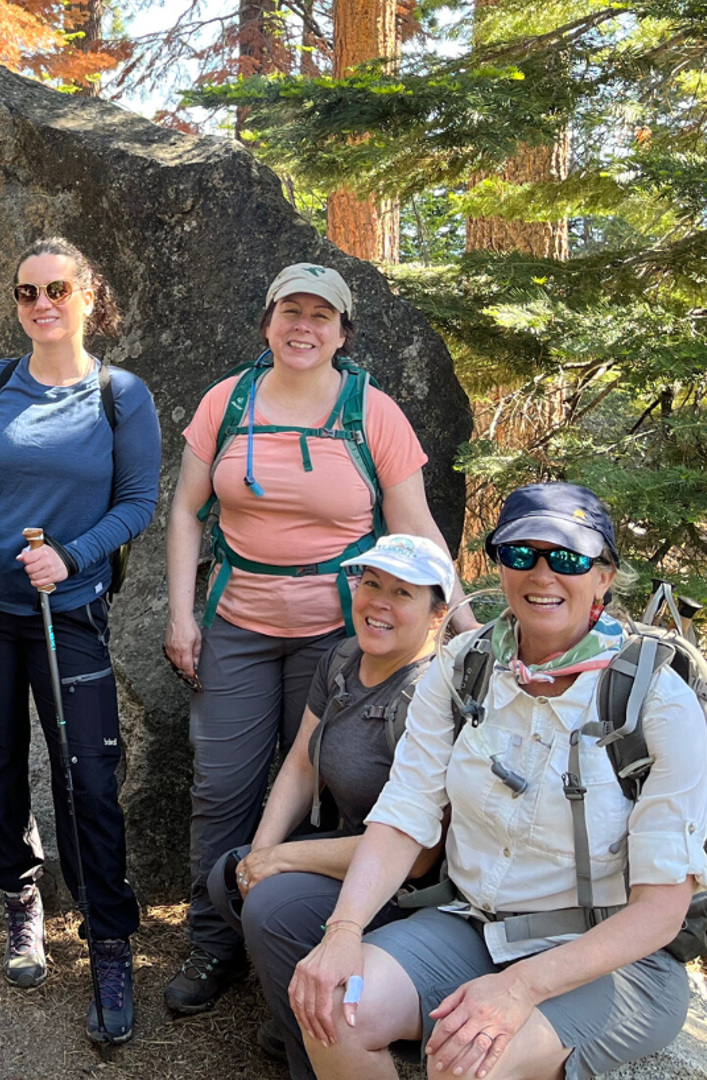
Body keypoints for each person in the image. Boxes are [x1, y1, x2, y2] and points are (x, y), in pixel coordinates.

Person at [288, 483, 707, 1080]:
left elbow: (662, 910)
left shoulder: (655, 704)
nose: (542, 575)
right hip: (472, 924)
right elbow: (405, 812)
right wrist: (344, 930)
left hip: (607, 958)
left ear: (605, 577)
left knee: (470, 1061)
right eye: (521, 555)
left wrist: (518, 988)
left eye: (568, 558)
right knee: (333, 1010)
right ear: (499, 566)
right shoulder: (462, 665)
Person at [163, 261, 462, 1016]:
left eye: (320, 316)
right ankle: (212, 937)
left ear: (342, 332)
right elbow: (184, 510)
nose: (303, 326)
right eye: (289, 311)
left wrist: (460, 626)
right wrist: (180, 614)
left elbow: (415, 526)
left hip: (341, 636)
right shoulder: (226, 401)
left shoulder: (374, 413)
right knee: (219, 787)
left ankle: (295, 945)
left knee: (328, 792)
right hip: (238, 622)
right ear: (267, 323)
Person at [0, 237, 163, 1045]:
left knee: (89, 774)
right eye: (27, 291)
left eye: (57, 289)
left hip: (67, 609)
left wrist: (69, 554)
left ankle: (108, 939)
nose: (41, 304)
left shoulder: (121, 394)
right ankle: (21, 896)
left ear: (88, 295)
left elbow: (137, 501)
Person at [211, 534, 456, 1077]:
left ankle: (316, 1055)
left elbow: (419, 856)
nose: (379, 603)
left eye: (403, 593)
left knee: (272, 907)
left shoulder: (432, 695)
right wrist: (263, 850)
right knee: (231, 876)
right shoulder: (344, 658)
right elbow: (301, 762)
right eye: (371, 584)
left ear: (438, 615)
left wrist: (283, 861)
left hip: (411, 889)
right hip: (348, 848)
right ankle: (297, 1004)